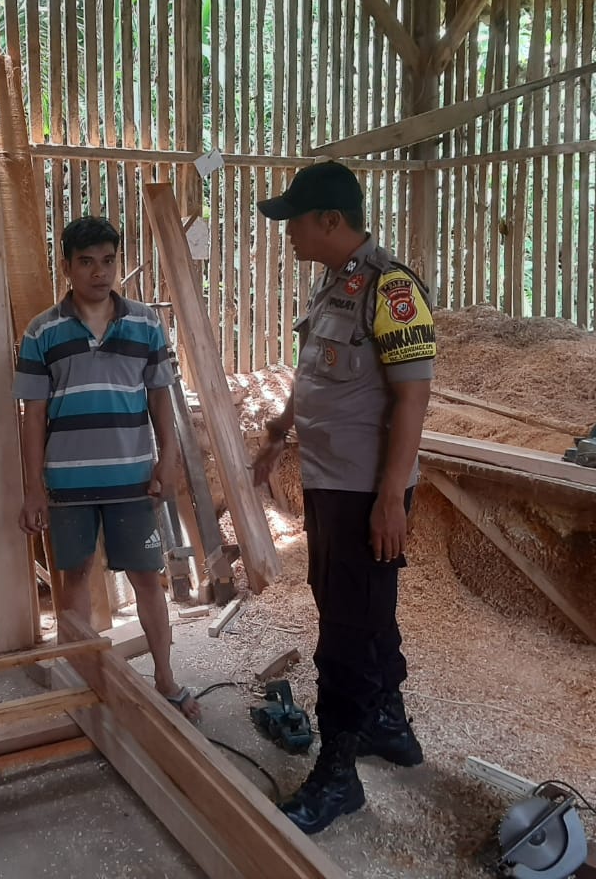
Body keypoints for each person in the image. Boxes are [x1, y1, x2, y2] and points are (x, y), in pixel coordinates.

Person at [252, 161, 435, 834]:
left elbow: (413, 399)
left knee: (345, 631)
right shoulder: (336, 284)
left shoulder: (393, 289)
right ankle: (388, 723)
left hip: (364, 493)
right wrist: (278, 432)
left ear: (330, 220)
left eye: (294, 221)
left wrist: (389, 499)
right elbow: (313, 379)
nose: (288, 233)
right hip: (329, 483)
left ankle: (338, 774)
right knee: (361, 611)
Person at [13, 215, 201, 723]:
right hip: (67, 484)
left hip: (132, 480)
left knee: (148, 579)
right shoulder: (42, 331)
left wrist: (167, 461)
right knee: (74, 578)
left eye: (108, 260)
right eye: (87, 262)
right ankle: (81, 685)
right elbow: (32, 417)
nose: (100, 272)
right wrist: (34, 489)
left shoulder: (145, 325)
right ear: (67, 267)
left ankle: (166, 679)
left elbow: (160, 399)